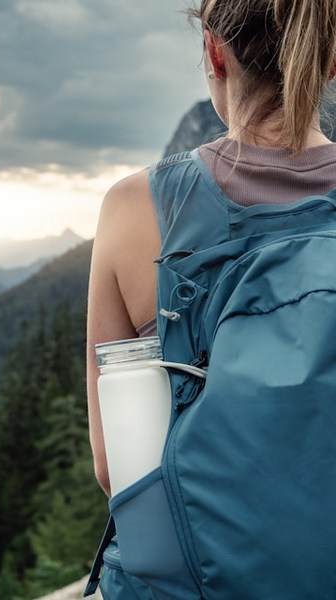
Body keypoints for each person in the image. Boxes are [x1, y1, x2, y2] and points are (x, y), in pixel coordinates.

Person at [87, 0, 336, 499]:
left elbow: (117, 467)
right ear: (331, 60)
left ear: (215, 53)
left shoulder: (136, 208)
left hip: (210, 571)